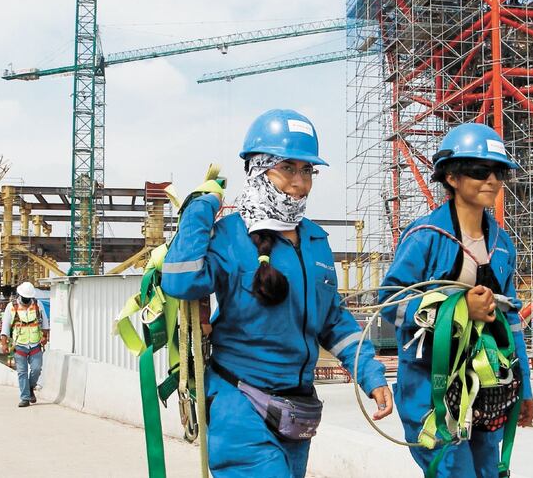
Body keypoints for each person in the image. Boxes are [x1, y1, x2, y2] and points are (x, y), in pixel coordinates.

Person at [161, 109, 392, 477]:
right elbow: (180, 281)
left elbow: (334, 321)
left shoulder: (316, 240)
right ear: (258, 168)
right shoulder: (231, 235)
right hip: (240, 406)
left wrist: (370, 374)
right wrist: (199, 208)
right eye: (288, 168)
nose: (299, 182)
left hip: (296, 411)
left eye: (307, 170)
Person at [380, 123, 533, 476]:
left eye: (499, 172)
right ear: (451, 177)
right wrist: (460, 308)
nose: (492, 180)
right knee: (454, 471)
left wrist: (522, 386)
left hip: (485, 389)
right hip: (430, 389)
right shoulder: (425, 237)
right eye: (480, 171)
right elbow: (390, 302)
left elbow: (512, 323)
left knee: (488, 471)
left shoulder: (502, 245)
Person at [1, 281, 50, 408]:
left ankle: (30, 387)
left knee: (36, 369)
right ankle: (25, 398)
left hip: (35, 344)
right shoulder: (11, 307)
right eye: (25, 298)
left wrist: (45, 336)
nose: (27, 300)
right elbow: (5, 326)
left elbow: (44, 323)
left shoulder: (37, 305)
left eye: (29, 298)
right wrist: (4, 343)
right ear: (20, 295)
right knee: (22, 372)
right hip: (19, 345)